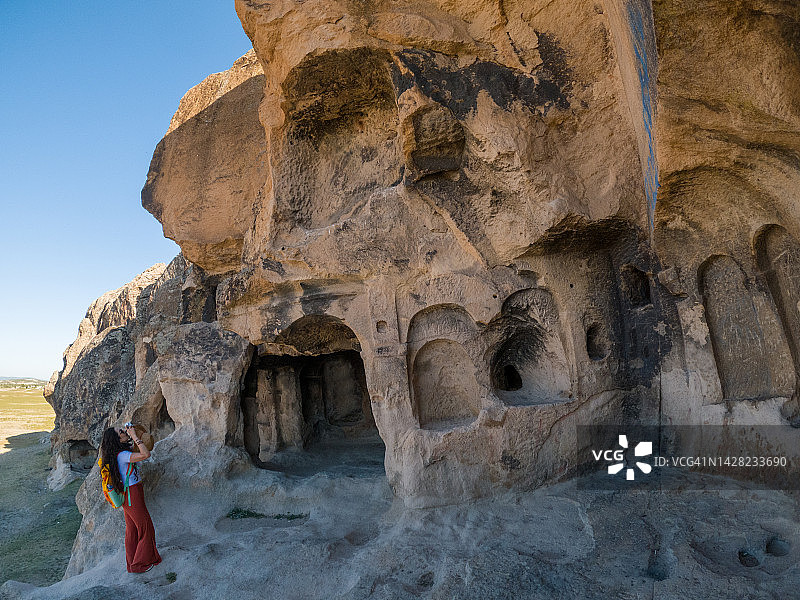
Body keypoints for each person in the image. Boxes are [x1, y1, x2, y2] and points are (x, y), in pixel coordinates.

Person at [99, 425, 162, 573]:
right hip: (132, 494)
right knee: (145, 527)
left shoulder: (120, 453)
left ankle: (132, 563)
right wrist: (134, 436)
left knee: (132, 530)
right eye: (121, 432)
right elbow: (146, 455)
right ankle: (140, 564)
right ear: (116, 439)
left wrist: (133, 434)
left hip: (129, 493)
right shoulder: (122, 456)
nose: (124, 431)